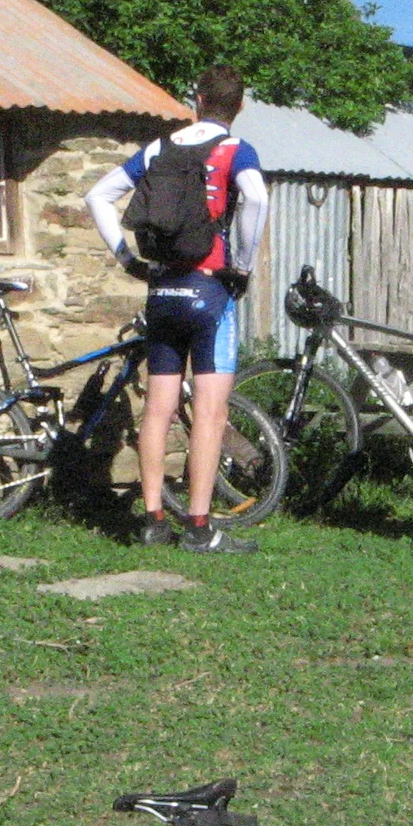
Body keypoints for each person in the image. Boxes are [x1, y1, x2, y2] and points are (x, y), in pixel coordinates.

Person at [85, 64, 268, 553]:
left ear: (197, 99)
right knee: (209, 413)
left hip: (162, 291)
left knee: (157, 409)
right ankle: (200, 527)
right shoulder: (236, 149)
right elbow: (255, 199)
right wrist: (243, 265)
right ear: (240, 106)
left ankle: (151, 520)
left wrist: (127, 258)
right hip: (209, 292)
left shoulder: (159, 148)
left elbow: (98, 195)